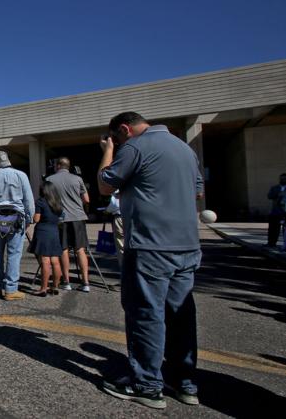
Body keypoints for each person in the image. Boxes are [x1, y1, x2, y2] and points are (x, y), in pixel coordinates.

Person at [97, 112, 204, 409]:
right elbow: (198, 192)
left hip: (149, 245)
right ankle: (185, 382)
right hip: (186, 245)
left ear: (124, 129)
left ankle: (146, 384)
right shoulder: (184, 149)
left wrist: (108, 152)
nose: (116, 142)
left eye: (115, 137)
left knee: (146, 313)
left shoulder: (135, 146)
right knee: (180, 314)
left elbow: (106, 185)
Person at [0, 151, 34, 300]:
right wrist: (29, 218)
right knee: (13, 254)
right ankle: (10, 289)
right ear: (8, 160)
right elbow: (28, 200)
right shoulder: (20, 175)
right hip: (16, 218)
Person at [47, 157, 91, 292]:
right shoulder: (77, 179)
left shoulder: (50, 180)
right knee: (80, 250)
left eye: (55, 164)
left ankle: (66, 281)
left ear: (59, 165)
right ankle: (85, 282)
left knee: (64, 250)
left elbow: (48, 201)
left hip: (61, 219)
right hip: (78, 218)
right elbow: (86, 199)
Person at [30, 181, 64, 296]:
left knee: (45, 261)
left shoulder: (40, 202)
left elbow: (36, 219)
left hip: (43, 232)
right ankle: (55, 286)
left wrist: (32, 215)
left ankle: (43, 288)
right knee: (55, 261)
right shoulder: (57, 203)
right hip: (54, 232)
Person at [266, 173, 286, 248]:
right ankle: (271, 243)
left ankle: (285, 245)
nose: (283, 180)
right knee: (273, 228)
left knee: (285, 229)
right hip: (275, 211)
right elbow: (269, 196)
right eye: (281, 178)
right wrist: (277, 194)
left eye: (284, 178)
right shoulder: (274, 187)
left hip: (285, 211)